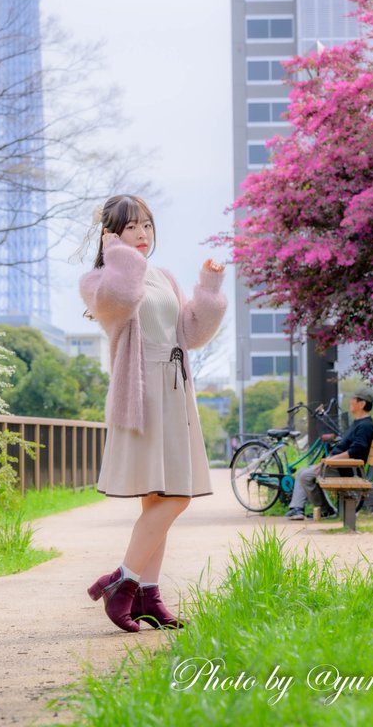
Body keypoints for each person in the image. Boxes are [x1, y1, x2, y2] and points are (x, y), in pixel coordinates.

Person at [80, 194, 227, 633]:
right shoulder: (99, 281)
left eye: (146, 225)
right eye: (131, 228)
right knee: (174, 497)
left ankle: (147, 594)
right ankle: (122, 583)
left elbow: (191, 333)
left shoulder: (163, 277)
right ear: (111, 236)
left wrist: (208, 288)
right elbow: (122, 300)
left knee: (160, 499)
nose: (142, 235)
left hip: (175, 391)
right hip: (142, 396)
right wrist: (118, 256)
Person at [285, 388, 373, 521]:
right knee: (303, 472)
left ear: (362, 404)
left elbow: (356, 451)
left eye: (353, 399)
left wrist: (329, 461)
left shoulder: (365, 426)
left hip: (345, 468)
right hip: (337, 466)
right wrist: (327, 461)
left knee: (305, 475)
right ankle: (305, 509)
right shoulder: (359, 423)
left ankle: (316, 509)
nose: (350, 401)